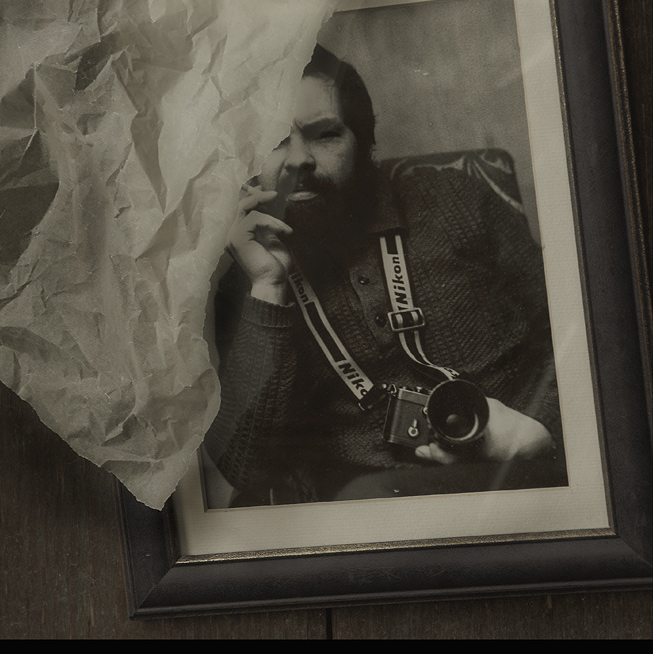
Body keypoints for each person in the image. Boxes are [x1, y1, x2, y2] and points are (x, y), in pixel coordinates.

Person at [203, 46, 567, 505]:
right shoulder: (244, 276)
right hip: (375, 508)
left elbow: (577, 335)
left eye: (325, 135)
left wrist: (540, 429)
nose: (298, 160)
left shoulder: (459, 199)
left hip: (528, 472)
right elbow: (243, 466)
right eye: (270, 139)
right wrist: (268, 286)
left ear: (364, 141)